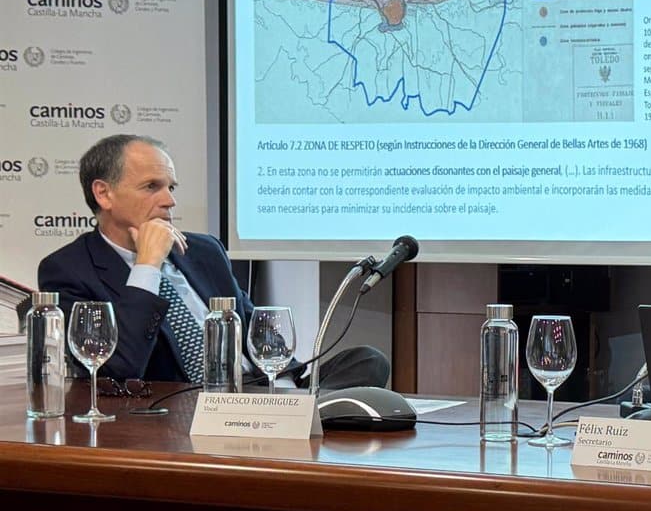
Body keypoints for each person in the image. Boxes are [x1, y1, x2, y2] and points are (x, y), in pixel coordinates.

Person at [38, 134, 389, 389]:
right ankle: (301, 414)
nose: (169, 201)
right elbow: (119, 367)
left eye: (171, 187)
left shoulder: (203, 249)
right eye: (151, 187)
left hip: (257, 385)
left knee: (368, 360)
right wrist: (147, 265)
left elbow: (254, 326)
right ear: (104, 193)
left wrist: (282, 376)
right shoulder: (68, 270)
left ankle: (294, 407)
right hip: (190, 403)